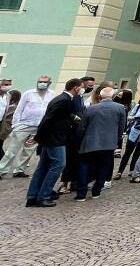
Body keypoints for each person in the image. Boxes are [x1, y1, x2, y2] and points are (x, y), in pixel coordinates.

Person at [25, 79, 83, 207]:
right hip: (55, 139)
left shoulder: (62, 99)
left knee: (43, 167)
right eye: (81, 87)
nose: (81, 90)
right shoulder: (64, 100)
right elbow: (48, 119)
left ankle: (32, 195)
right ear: (75, 88)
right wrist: (38, 137)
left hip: (52, 138)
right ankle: (43, 195)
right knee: (59, 164)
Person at [76, 87, 126, 201]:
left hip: (90, 142)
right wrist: (116, 141)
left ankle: (81, 193)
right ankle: (96, 191)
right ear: (113, 96)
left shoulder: (91, 108)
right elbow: (121, 127)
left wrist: (79, 141)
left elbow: (82, 127)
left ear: (100, 96)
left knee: (84, 166)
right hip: (109, 143)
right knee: (103, 167)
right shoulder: (120, 108)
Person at [0, 75, 54, 178]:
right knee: (12, 150)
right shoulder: (28, 93)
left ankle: (19, 170)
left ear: (49, 83)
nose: (42, 84)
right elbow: (19, 109)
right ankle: (2, 169)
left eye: (44, 82)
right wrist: (16, 125)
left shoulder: (51, 94)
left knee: (28, 151)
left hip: (38, 127)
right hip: (23, 126)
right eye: (40, 81)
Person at [1, 88, 20, 156]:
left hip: (4, 128)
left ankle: (3, 160)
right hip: (6, 128)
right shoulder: (16, 106)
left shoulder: (12, 107)